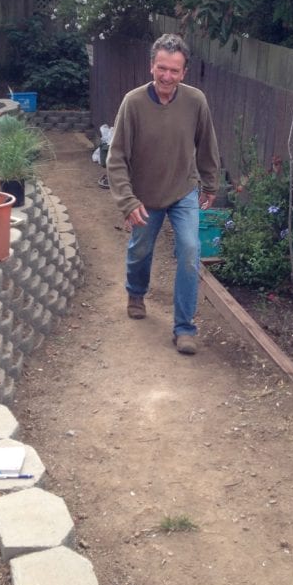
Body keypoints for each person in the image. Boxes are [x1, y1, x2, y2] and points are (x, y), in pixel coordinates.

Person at [106, 33, 220, 354]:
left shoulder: (196, 101)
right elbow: (116, 159)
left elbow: (207, 145)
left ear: (184, 73)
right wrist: (127, 201)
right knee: (140, 250)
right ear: (151, 67)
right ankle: (136, 291)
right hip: (144, 196)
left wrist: (210, 183)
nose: (166, 76)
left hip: (183, 189)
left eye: (174, 70)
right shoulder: (133, 104)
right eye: (161, 68)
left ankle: (184, 328)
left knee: (189, 250)